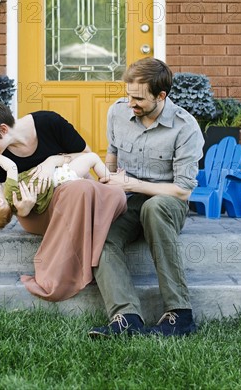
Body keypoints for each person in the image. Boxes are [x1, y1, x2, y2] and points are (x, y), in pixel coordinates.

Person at [0, 98, 127, 302]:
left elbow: (86, 154)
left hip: (70, 198)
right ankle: (61, 275)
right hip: (34, 213)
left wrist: (52, 161)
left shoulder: (49, 123)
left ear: (3, 129)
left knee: (98, 192)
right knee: (79, 190)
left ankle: (82, 253)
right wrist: (23, 210)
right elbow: (8, 203)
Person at [88, 57, 204, 338]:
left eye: (138, 98)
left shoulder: (185, 127)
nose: (130, 103)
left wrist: (133, 183)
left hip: (167, 202)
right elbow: (112, 155)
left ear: (161, 96)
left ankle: (180, 314)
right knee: (100, 234)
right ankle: (126, 319)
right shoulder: (117, 112)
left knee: (153, 207)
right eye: (128, 95)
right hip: (127, 199)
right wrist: (109, 185)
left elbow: (183, 190)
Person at [0, 150, 114, 230]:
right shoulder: (9, 191)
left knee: (85, 174)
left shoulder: (13, 203)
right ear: (0, 201)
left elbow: (7, 191)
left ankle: (102, 192)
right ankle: (112, 182)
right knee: (93, 158)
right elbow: (11, 167)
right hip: (59, 177)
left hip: (58, 185)